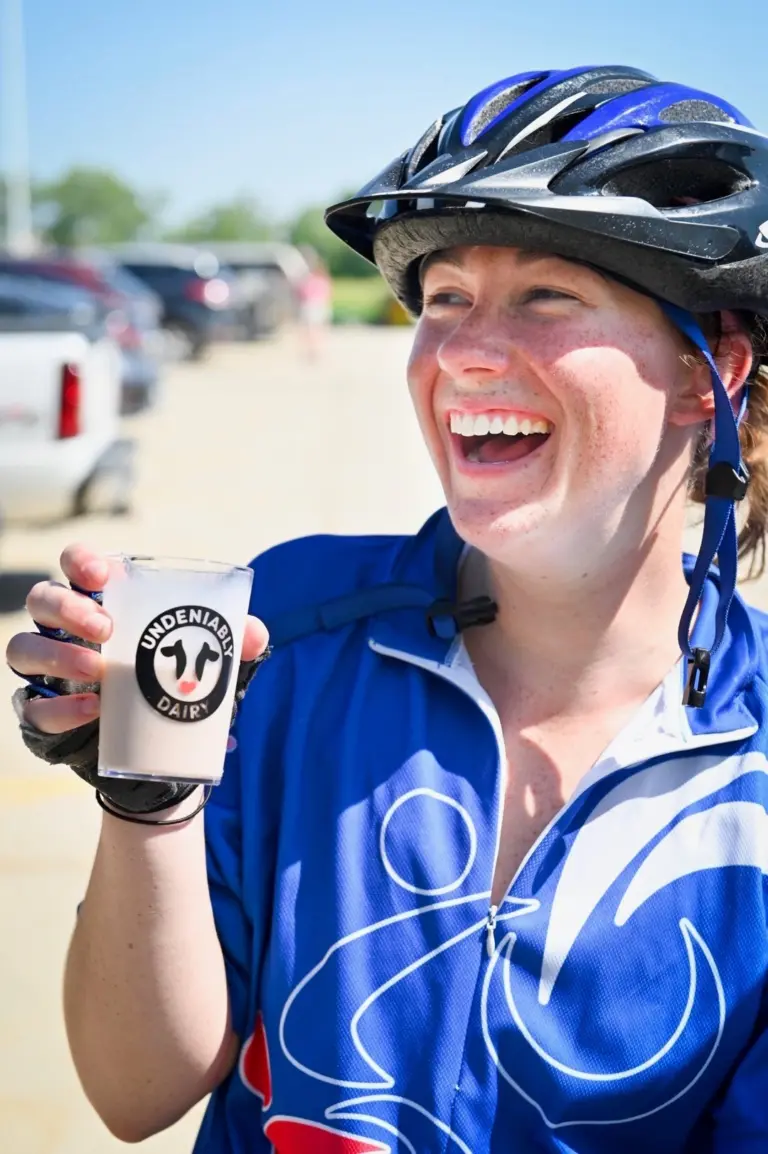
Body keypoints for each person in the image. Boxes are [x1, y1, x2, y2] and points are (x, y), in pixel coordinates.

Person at [7, 64, 768, 1153]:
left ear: (715, 372)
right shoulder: (296, 622)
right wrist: (147, 796)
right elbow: (135, 1093)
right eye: (445, 297)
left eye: (547, 296)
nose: (459, 351)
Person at [295, 245, 333, 359]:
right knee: (315, 330)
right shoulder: (320, 277)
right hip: (318, 305)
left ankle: (313, 350)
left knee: (311, 330)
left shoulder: (310, 278)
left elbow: (301, 292)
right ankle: (314, 350)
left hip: (313, 305)